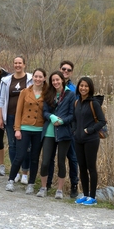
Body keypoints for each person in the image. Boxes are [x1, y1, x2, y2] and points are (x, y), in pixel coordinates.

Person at [5, 68, 47, 194]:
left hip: (39, 129)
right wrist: (17, 129)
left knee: (34, 158)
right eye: (36, 76)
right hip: (25, 128)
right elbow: (18, 111)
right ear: (32, 77)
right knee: (20, 155)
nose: (38, 79)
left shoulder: (47, 93)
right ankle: (11, 180)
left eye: (40, 77)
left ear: (44, 78)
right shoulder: (24, 92)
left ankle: (31, 183)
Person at [37, 71, 75, 199]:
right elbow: (45, 112)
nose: (55, 82)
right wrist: (52, 117)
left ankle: (59, 190)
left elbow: (72, 115)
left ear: (62, 80)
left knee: (61, 161)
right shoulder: (49, 93)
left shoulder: (70, 95)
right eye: (53, 80)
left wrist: (63, 121)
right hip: (49, 131)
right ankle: (43, 187)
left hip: (64, 132)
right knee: (46, 161)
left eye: (57, 80)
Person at [47, 60, 79, 198]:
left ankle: (74, 185)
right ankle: (47, 183)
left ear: (71, 72)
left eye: (69, 70)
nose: (66, 71)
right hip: (54, 127)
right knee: (51, 157)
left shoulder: (74, 89)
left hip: (70, 129)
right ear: (60, 69)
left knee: (72, 158)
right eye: (63, 69)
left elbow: (77, 108)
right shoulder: (53, 86)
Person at [0, 56, 32, 184]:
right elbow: (1, 100)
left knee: (26, 146)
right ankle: (15, 172)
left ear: (24, 64)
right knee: (12, 145)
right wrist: (0, 117)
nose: (17, 65)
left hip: (26, 118)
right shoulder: (6, 80)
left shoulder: (30, 79)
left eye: (20, 63)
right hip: (10, 116)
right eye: (15, 63)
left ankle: (25, 173)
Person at [73, 77, 106, 206]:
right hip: (78, 139)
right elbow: (75, 119)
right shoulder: (77, 102)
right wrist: (74, 130)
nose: (83, 88)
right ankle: (85, 195)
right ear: (78, 87)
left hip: (91, 139)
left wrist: (90, 130)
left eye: (86, 86)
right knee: (82, 167)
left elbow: (102, 121)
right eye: (81, 86)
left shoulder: (94, 103)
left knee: (91, 167)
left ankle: (92, 197)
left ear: (90, 88)